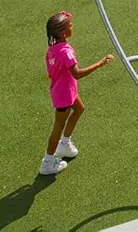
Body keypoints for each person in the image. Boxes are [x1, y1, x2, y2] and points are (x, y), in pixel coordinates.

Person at [40, 12, 112, 177]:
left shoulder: (52, 50)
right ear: (63, 33)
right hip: (64, 95)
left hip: (63, 91)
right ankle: (47, 162)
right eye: (70, 26)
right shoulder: (66, 52)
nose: (72, 27)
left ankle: (64, 144)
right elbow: (77, 73)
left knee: (79, 109)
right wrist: (100, 63)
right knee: (57, 127)